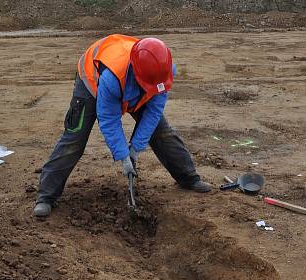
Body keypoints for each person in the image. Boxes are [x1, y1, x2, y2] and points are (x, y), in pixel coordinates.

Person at [33, 34, 210, 217]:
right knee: (75, 138)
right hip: (92, 81)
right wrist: (123, 156)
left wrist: (135, 148)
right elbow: (109, 119)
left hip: (138, 83)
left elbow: (153, 113)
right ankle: (46, 196)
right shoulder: (112, 78)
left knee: (162, 131)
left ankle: (188, 178)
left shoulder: (163, 72)